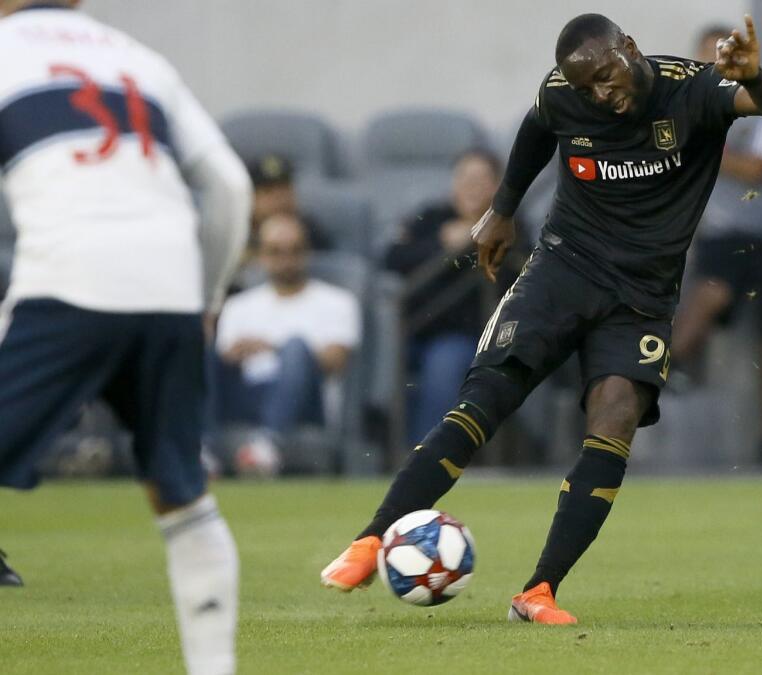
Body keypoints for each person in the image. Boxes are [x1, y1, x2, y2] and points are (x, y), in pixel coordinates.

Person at [321, 12, 762, 624]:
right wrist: (502, 210)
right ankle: (368, 541)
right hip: (562, 271)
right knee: (484, 401)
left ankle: (539, 590)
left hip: (643, 296)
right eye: (588, 86)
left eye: (606, 76)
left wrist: (757, 76)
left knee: (616, 418)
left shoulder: (693, 89)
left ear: (629, 48)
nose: (601, 93)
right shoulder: (564, 93)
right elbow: (536, 128)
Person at [0, 1, 250, 674]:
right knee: (182, 493)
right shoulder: (140, 59)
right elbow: (228, 185)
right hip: (170, 289)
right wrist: (207, 298)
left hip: (68, 285)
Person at [672, 25, 762, 465]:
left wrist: (692, 143)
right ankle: (664, 369)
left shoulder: (758, 98)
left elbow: (757, 168)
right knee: (710, 292)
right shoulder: (686, 105)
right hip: (726, 230)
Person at [383, 149, 523, 446]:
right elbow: (393, 258)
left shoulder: (513, 225)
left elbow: (521, 270)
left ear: (498, 186)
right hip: (417, 328)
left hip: (474, 334)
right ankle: (372, 447)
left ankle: (426, 456)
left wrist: (475, 240)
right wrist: (441, 243)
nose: (472, 187)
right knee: (382, 353)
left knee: (443, 362)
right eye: (465, 178)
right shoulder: (432, 218)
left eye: (481, 180)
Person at [212, 213, 360, 473]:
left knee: (295, 347)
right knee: (203, 353)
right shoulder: (238, 306)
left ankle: (267, 444)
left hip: (305, 398)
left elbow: (337, 361)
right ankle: (200, 447)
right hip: (248, 392)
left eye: (294, 250)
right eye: (275, 252)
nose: (286, 260)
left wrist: (274, 348)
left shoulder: (337, 301)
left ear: (307, 252)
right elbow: (221, 361)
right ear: (261, 256)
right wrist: (236, 352)